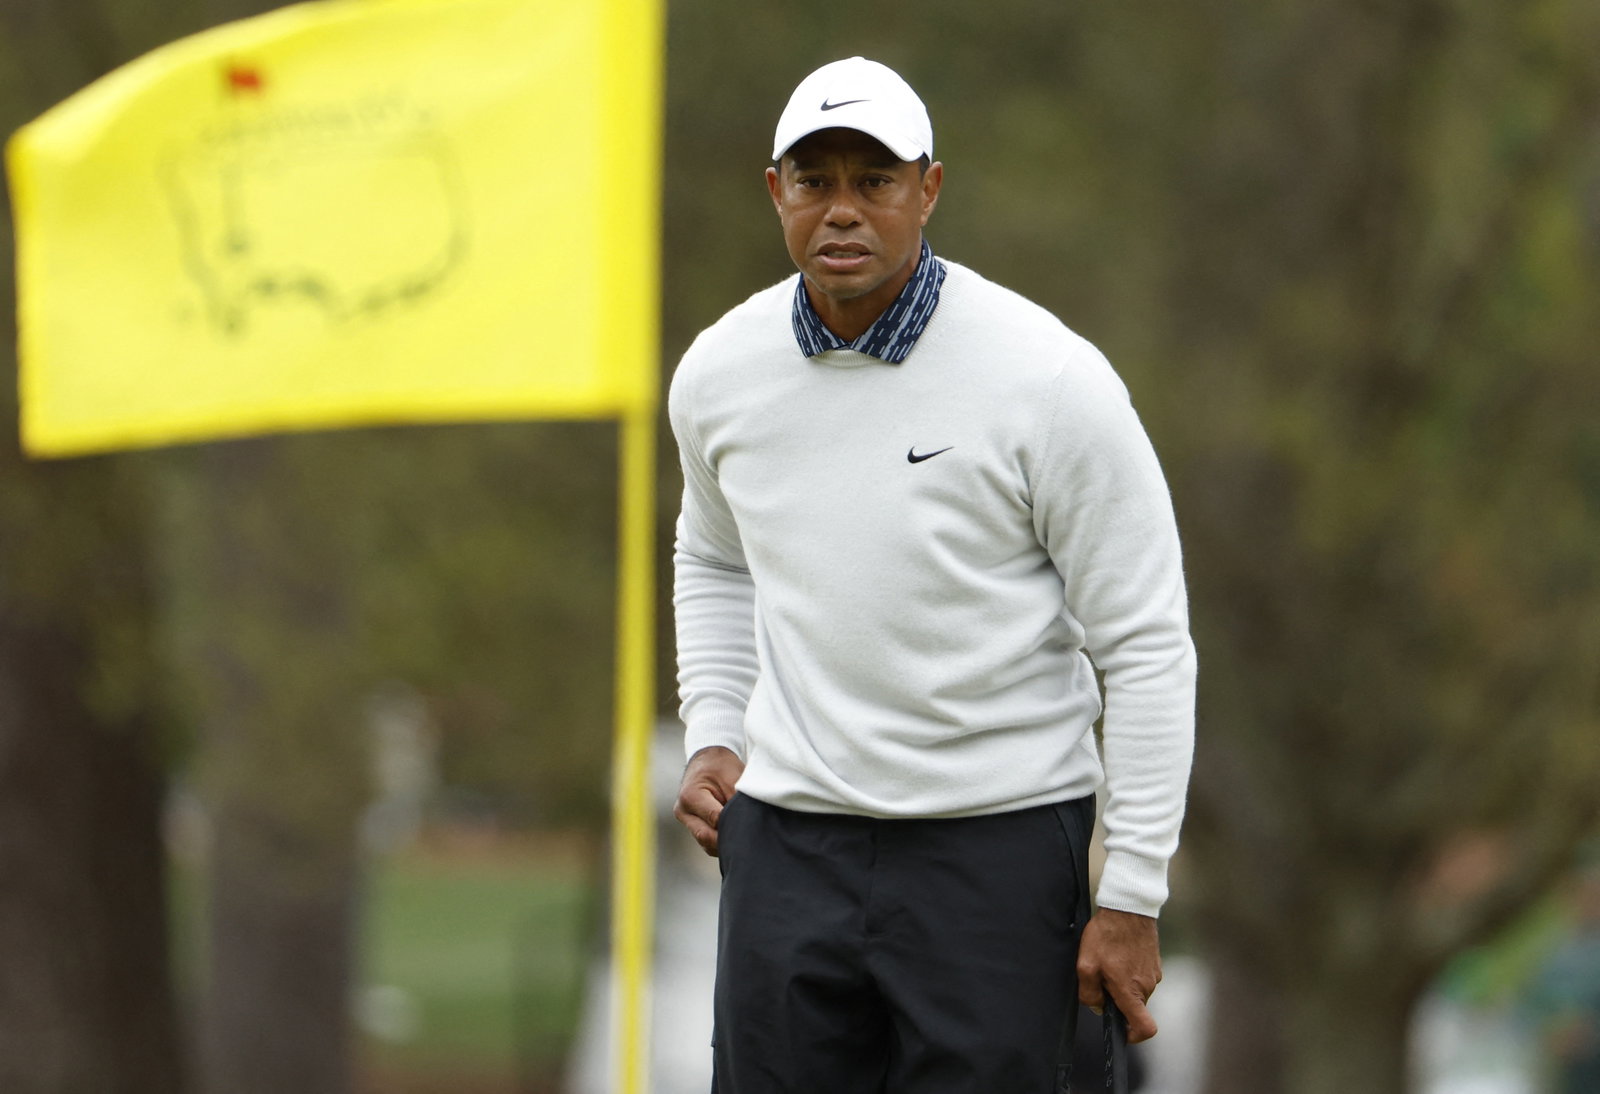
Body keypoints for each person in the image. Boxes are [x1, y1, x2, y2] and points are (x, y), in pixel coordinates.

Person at [669, 55, 1196, 1093]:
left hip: (996, 850)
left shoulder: (1049, 379)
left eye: (876, 180)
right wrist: (715, 728)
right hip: (787, 843)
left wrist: (1133, 891)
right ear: (775, 191)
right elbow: (714, 556)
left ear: (929, 190)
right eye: (815, 181)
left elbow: (1143, 642)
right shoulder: (719, 374)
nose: (843, 209)